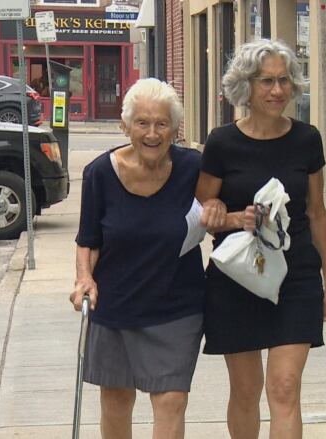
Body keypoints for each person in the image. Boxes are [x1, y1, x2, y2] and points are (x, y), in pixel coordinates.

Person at [196, 39, 326, 439]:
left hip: (295, 275)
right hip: (237, 276)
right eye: (266, 81)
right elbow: (203, 210)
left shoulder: (307, 139)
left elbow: (316, 212)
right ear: (246, 85)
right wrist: (227, 216)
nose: (277, 90)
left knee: (284, 387)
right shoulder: (222, 142)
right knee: (246, 391)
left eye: (283, 80)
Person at [69, 78, 225, 439]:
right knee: (117, 398)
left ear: (174, 128)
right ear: (126, 127)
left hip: (176, 306)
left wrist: (217, 206)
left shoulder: (192, 168)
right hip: (116, 306)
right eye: (142, 123)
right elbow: (88, 239)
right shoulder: (99, 174)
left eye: (162, 123)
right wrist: (84, 278)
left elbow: (215, 205)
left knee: (171, 399)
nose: (152, 133)